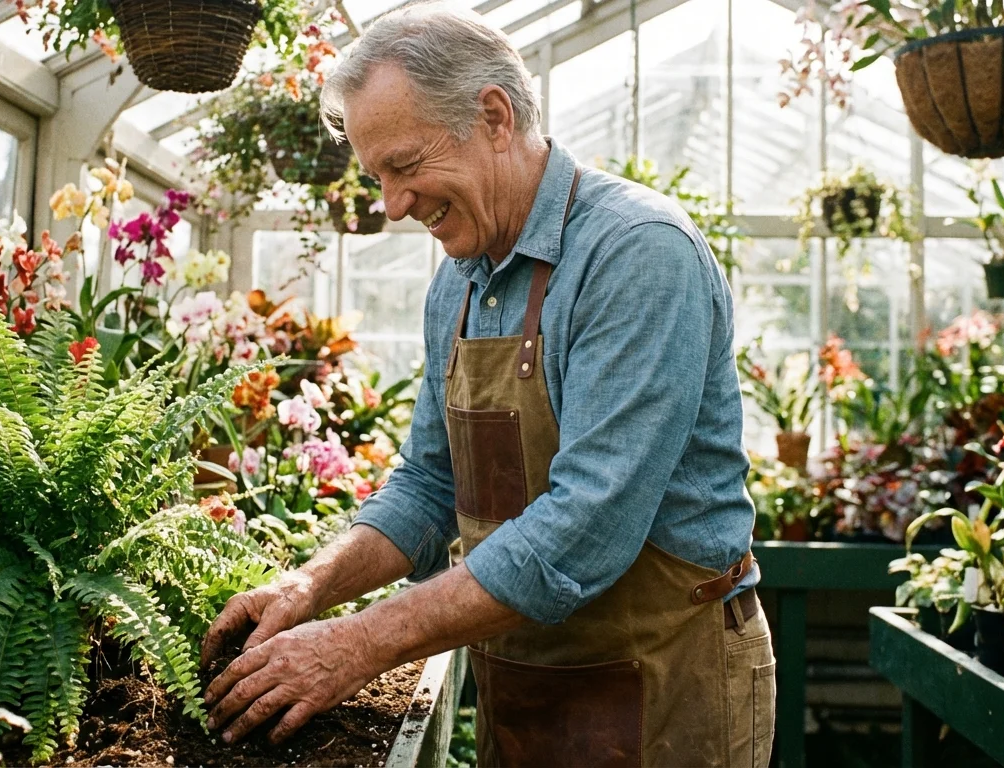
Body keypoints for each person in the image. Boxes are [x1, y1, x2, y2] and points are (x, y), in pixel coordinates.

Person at [199, 5, 774, 765]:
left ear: (494, 116)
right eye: (377, 178)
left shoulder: (636, 254)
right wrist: (309, 588)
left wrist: (360, 643)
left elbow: (586, 528)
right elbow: (428, 485)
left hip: (667, 679)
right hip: (529, 680)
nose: (393, 205)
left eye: (404, 167)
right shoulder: (460, 286)